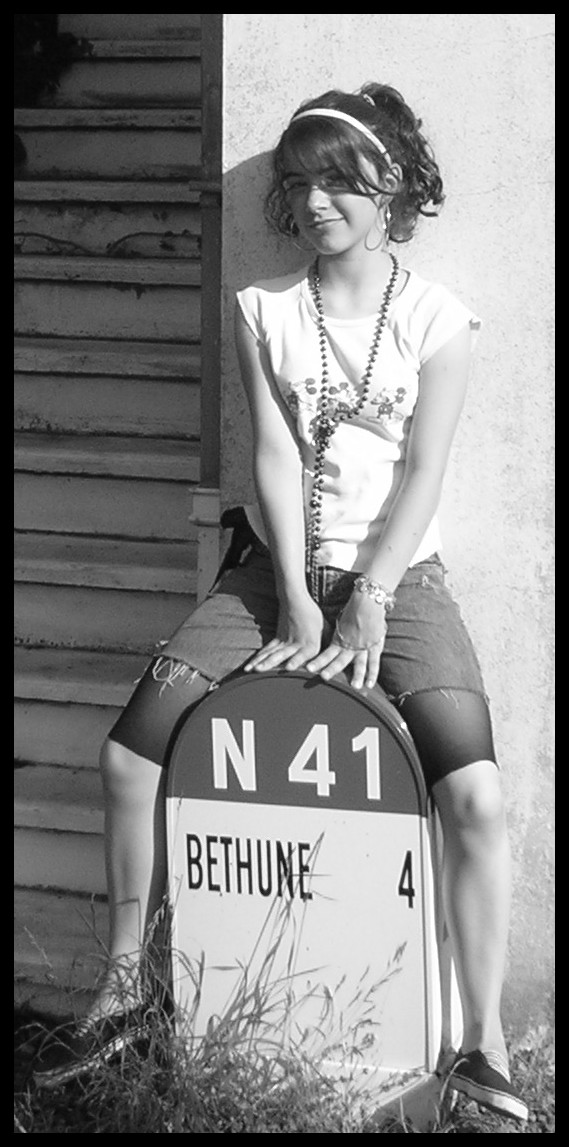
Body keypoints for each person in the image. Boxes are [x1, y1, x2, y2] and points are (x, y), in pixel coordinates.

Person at [33, 82, 528, 1124]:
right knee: (128, 757)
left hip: (402, 578)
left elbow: (424, 472)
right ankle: (124, 992)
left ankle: (480, 1050)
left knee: (475, 797)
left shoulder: (437, 318)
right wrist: (298, 599)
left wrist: (369, 597)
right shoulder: (263, 309)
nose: (311, 202)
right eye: (297, 183)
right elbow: (269, 454)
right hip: (273, 570)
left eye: (335, 181)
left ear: (390, 185)